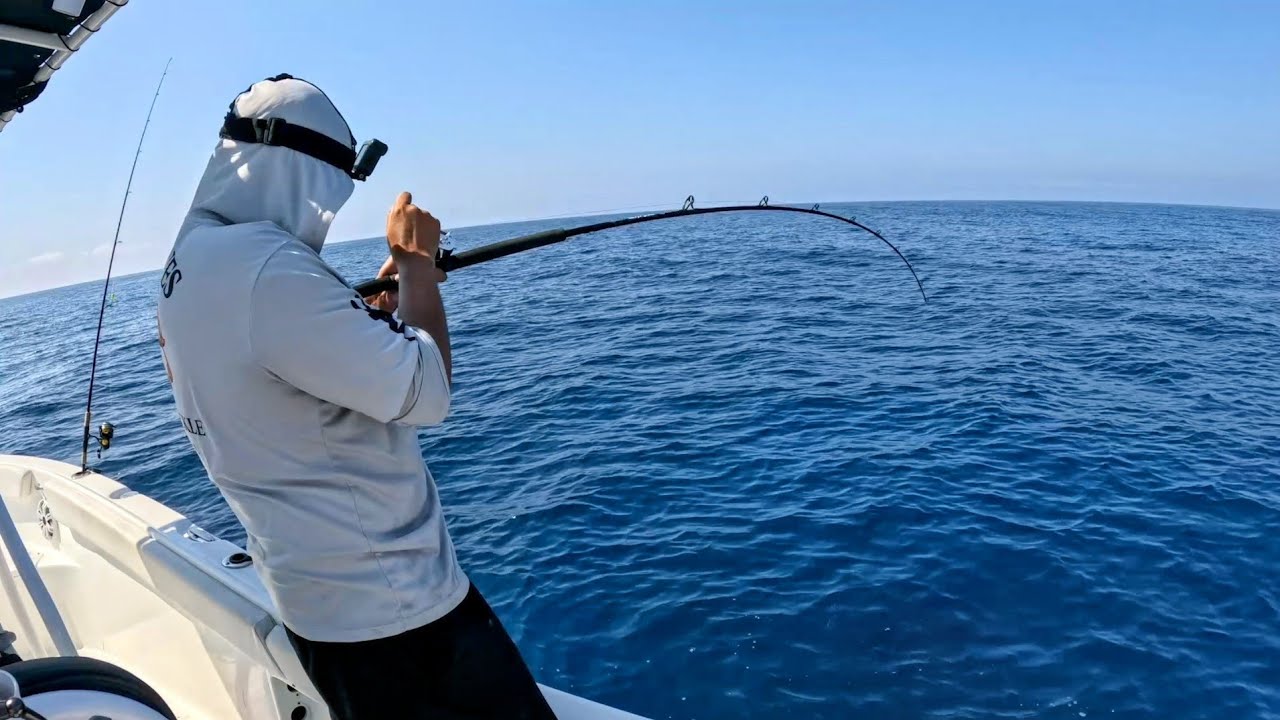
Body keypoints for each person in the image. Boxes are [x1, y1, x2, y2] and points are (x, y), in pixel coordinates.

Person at [156, 74, 557, 720]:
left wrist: (356, 312)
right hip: (400, 614)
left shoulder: (190, 265)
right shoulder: (266, 268)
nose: (324, 214)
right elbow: (428, 394)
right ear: (291, 169)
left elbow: (272, 368)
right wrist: (418, 264)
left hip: (318, 613)